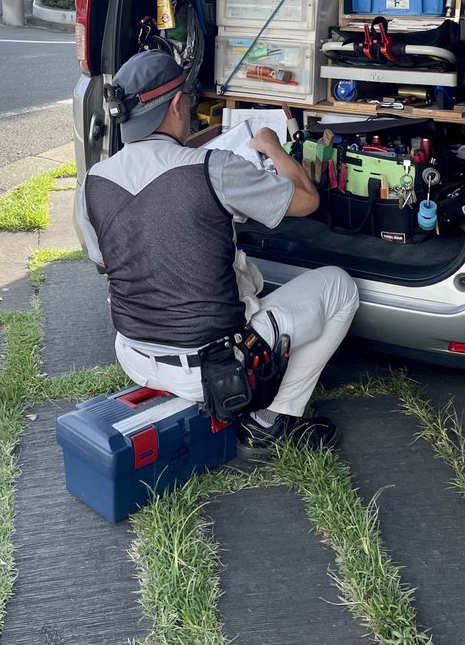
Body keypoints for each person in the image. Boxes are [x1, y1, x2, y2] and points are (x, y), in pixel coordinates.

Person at [75, 51, 359, 462]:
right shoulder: (214, 168)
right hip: (214, 368)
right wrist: (273, 148)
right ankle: (270, 423)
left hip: (134, 356)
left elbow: (106, 260)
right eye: (187, 98)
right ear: (176, 105)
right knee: (340, 286)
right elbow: (306, 200)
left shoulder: (91, 184)